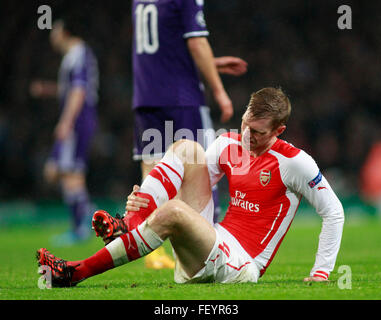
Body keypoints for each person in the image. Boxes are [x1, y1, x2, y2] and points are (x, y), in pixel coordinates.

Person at [37, 87, 344, 286]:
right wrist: (144, 200)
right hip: (209, 245)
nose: (248, 136)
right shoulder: (229, 145)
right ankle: (129, 222)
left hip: (241, 265)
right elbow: (184, 183)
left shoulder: (294, 162)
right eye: (245, 125)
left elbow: (333, 212)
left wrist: (321, 272)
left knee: (173, 211)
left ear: (279, 130)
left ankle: (75, 272)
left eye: (259, 133)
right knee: (187, 148)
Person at [131, 0, 248, 268]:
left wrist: (211, 63)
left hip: (145, 95)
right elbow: (196, 43)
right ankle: (206, 251)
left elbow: (163, 49)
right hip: (180, 97)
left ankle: (151, 251)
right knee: (199, 168)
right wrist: (219, 90)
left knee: (152, 172)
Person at [30, 18, 98, 246]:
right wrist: (49, 90)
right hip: (80, 119)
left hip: (78, 121)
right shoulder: (76, 55)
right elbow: (71, 89)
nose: (52, 35)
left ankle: (82, 227)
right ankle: (88, 217)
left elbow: (79, 91)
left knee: (68, 173)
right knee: (65, 172)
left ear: (66, 32)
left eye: (55, 30)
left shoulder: (77, 53)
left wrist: (66, 122)